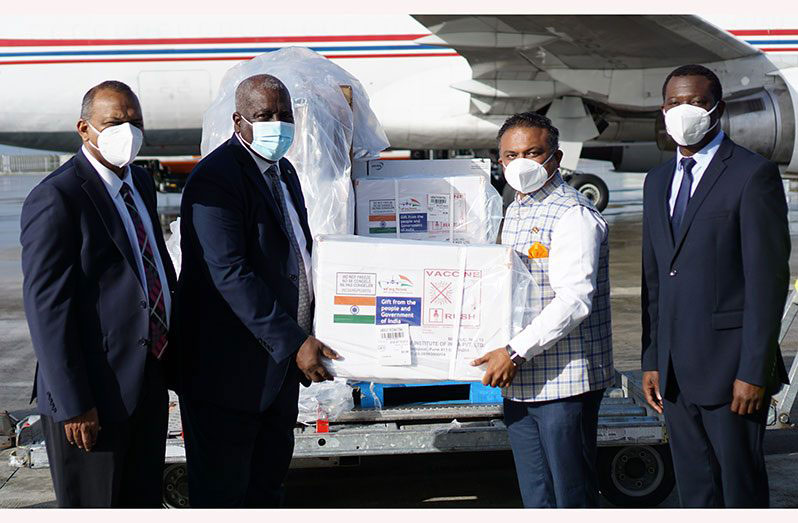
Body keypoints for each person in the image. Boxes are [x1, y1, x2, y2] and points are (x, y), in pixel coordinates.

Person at [175, 74, 339, 508]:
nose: (278, 125)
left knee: (266, 490)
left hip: (275, 373)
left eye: (285, 116)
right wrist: (294, 340)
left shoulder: (282, 171)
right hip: (228, 374)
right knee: (224, 496)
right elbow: (229, 273)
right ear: (238, 120)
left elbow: (294, 256)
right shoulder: (217, 179)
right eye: (264, 116)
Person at [20, 81, 177, 507]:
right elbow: (47, 309)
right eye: (114, 123)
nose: (127, 132)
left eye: (135, 123)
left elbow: (153, 272)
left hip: (144, 382)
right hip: (91, 397)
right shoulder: (57, 197)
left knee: (141, 502)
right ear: (85, 129)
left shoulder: (140, 183)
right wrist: (75, 404)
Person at [641, 64, 790, 507]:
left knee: (739, 489)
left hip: (732, 373)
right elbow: (655, 280)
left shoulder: (751, 174)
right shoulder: (657, 181)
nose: (682, 111)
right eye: (673, 103)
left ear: (717, 110)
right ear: (663, 110)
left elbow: (767, 282)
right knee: (695, 492)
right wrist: (652, 358)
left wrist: (753, 370)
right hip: (674, 373)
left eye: (695, 102)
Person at [473, 112, 613, 507]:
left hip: (563, 382)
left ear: (556, 157)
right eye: (511, 155)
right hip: (519, 383)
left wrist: (514, 350)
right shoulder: (515, 208)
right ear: (499, 161)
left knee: (571, 495)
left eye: (533, 152)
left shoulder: (573, 213)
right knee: (537, 495)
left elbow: (574, 300)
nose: (521, 163)